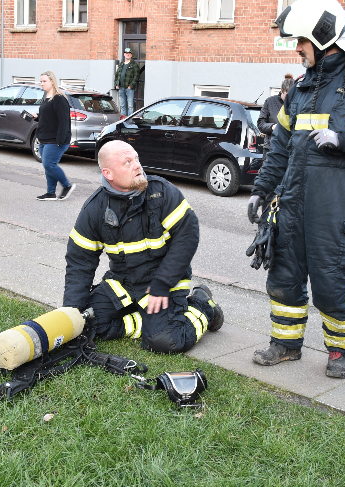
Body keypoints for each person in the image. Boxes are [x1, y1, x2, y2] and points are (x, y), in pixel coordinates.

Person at [246, 0, 345, 378]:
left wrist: (343, 138)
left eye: (301, 40)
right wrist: (261, 190)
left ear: (320, 38)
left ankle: (338, 352)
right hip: (291, 204)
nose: (297, 48)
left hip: (335, 209)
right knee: (284, 278)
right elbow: (280, 146)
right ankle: (285, 345)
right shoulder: (301, 87)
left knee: (333, 281)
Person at [62, 140, 224, 353]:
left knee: (165, 341)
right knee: (87, 323)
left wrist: (163, 283)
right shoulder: (95, 209)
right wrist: (71, 312)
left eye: (136, 159)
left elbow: (187, 238)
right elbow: (80, 262)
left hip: (163, 282)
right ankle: (145, 320)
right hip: (123, 283)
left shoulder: (162, 193)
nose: (137, 165)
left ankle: (203, 306)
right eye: (127, 162)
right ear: (108, 173)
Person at [34, 71, 75, 201]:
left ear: (52, 81)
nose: (42, 84)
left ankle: (67, 185)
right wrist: (37, 117)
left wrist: (61, 140)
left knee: (49, 164)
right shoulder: (46, 97)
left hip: (56, 140)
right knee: (48, 166)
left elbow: (64, 121)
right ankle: (50, 193)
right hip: (44, 138)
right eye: (40, 81)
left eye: (44, 81)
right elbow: (48, 118)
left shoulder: (59, 99)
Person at [257, 74, 295, 152]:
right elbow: (261, 124)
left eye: (292, 96)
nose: (289, 99)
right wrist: (272, 127)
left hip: (290, 149)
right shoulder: (270, 101)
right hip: (271, 148)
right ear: (282, 90)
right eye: (287, 95)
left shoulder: (297, 103)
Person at [114, 48, 140, 117]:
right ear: (124, 54)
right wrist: (116, 84)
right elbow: (116, 75)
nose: (127, 54)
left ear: (131, 55)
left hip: (129, 89)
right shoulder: (121, 64)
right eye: (126, 53)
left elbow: (136, 76)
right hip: (121, 88)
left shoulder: (134, 64)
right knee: (122, 106)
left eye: (129, 53)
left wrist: (131, 86)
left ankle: (129, 120)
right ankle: (123, 120)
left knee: (130, 106)